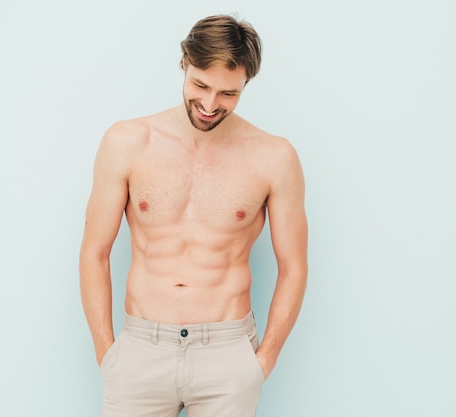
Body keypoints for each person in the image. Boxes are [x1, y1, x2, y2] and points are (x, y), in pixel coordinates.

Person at [79, 14, 308, 417]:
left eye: (228, 94)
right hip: (140, 353)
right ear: (184, 63)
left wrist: (262, 362)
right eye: (200, 85)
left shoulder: (274, 157)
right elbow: (94, 251)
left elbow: (293, 267)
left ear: (246, 84)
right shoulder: (127, 142)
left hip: (227, 353)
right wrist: (108, 355)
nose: (209, 105)